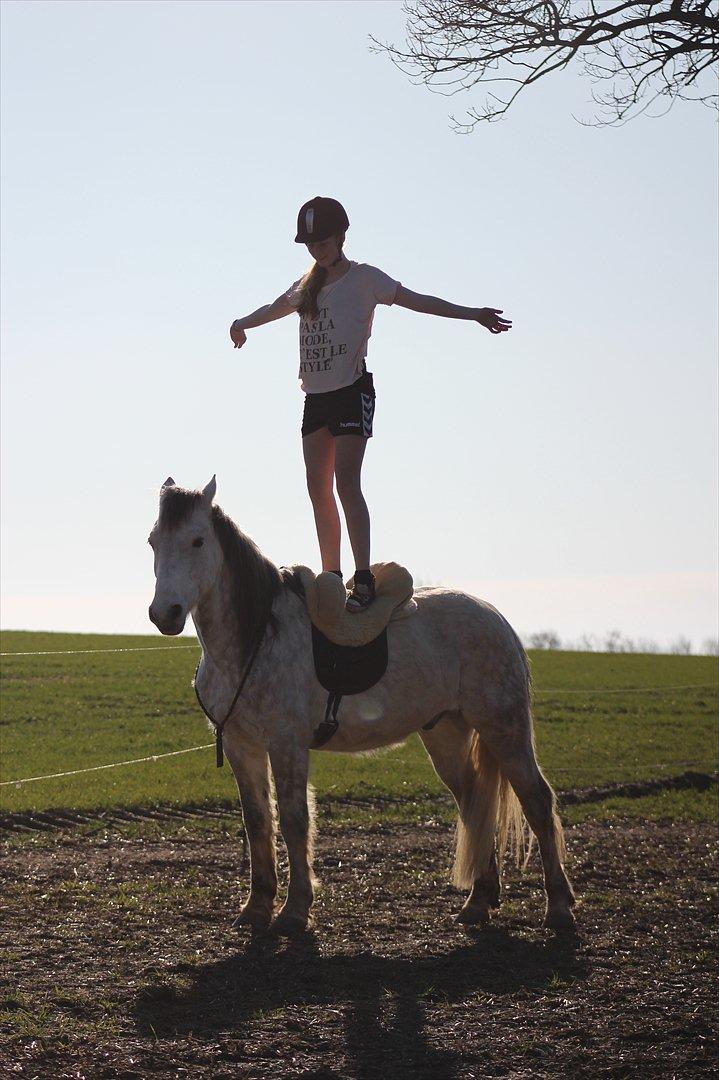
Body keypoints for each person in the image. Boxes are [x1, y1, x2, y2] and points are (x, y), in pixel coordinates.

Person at [230, 195, 512, 612]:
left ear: (341, 237)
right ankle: (331, 577)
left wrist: (472, 313)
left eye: (323, 241)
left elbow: (420, 300)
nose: (316, 249)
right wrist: (242, 324)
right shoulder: (306, 286)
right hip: (317, 397)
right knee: (316, 486)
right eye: (310, 244)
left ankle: (362, 579)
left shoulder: (365, 279)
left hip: (351, 392)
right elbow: (274, 309)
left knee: (346, 481)